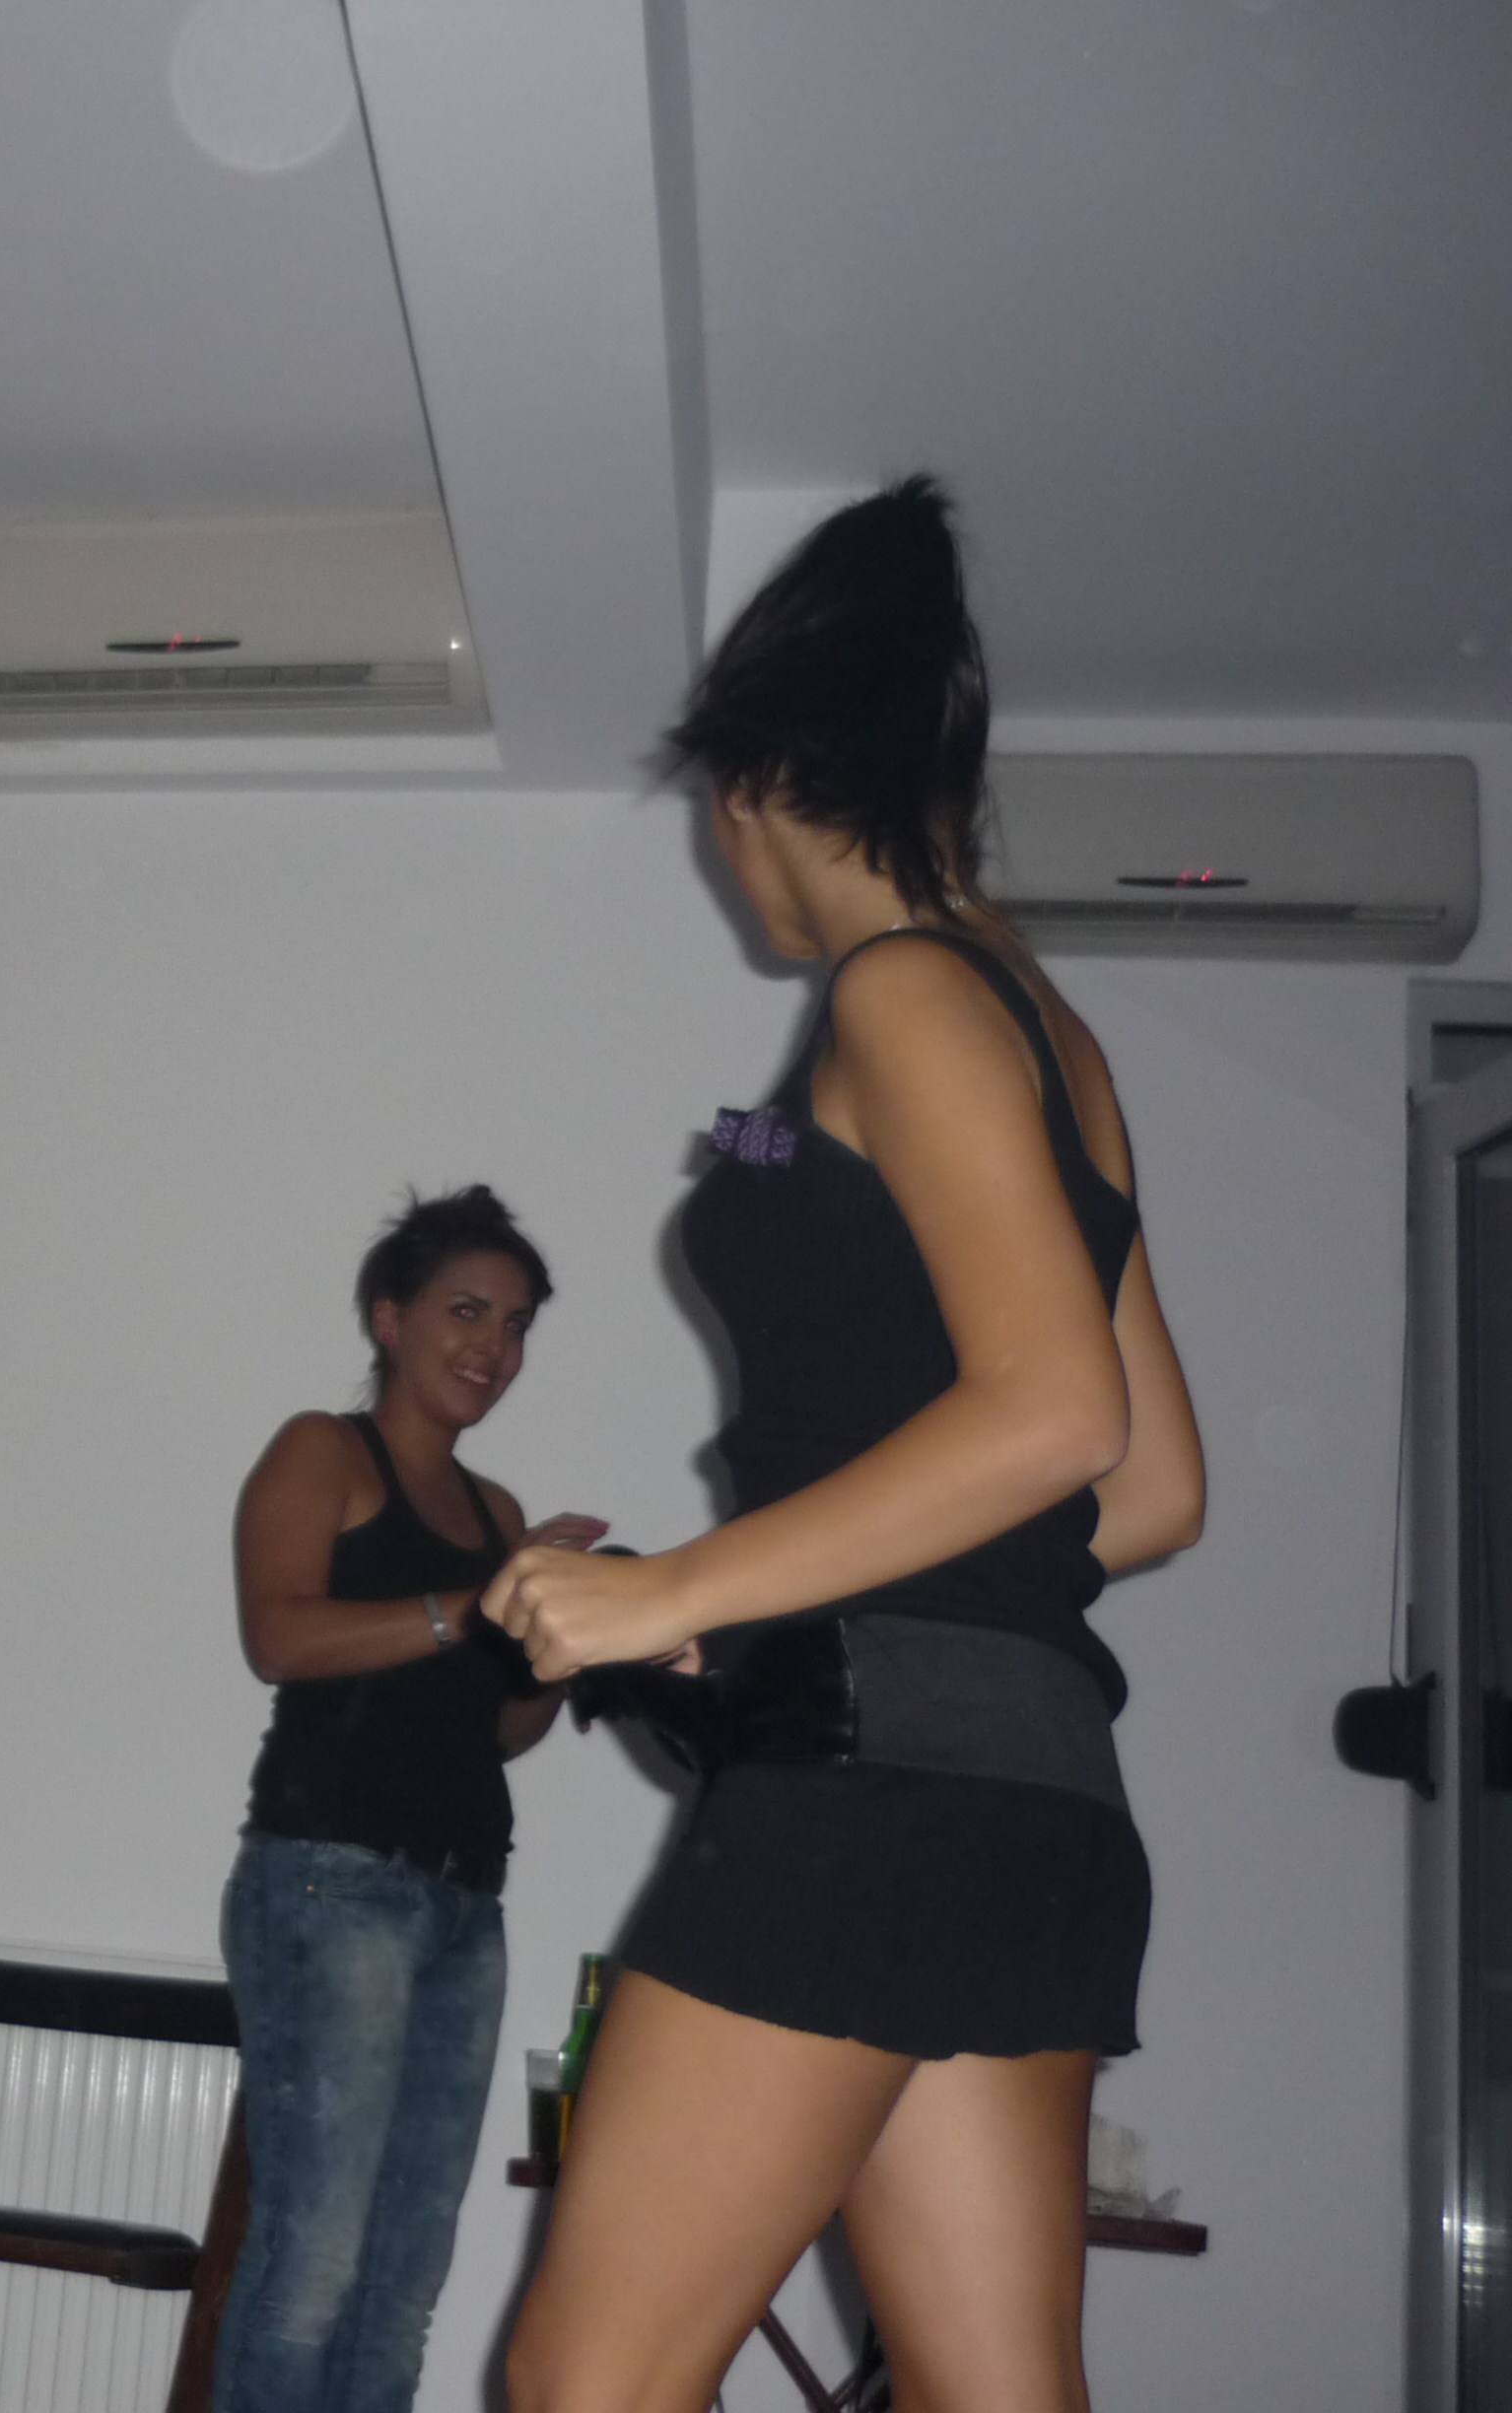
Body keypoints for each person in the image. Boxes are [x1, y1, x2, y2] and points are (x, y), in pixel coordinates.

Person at [481, 478, 1206, 2413]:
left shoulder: (898, 993)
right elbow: (1149, 1492)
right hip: (1034, 1796)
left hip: (871, 1789)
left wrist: (673, 1592)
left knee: (584, 2384)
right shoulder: (1055, 1035)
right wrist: (776, 1611)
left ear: (756, 783)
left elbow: (1057, 1418)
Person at [213, 1186, 603, 2413]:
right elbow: (281, 1638)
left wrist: (558, 1647)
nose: (495, 1346)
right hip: (331, 1883)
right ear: (391, 1318)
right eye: (468, 1311)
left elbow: (496, 1730)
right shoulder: (323, 1452)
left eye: (517, 1324)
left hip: (464, 1906)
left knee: (404, 2283)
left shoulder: (499, 1517)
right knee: (313, 2266)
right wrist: (473, 1606)